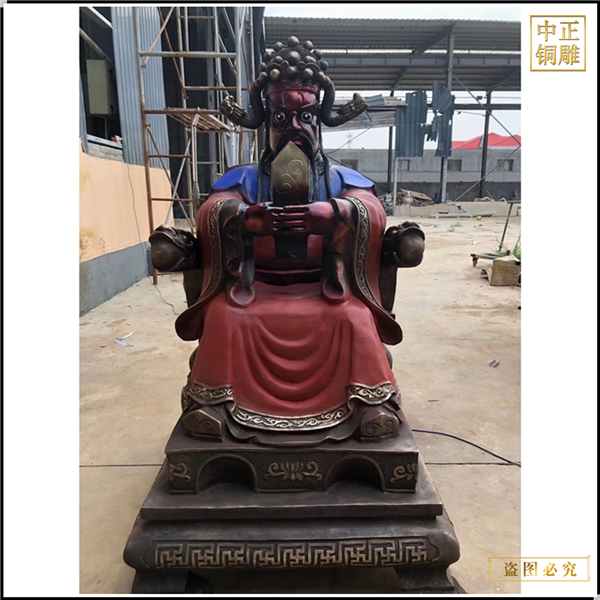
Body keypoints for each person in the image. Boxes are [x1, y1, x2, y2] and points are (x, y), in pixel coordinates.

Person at [150, 37, 425, 445]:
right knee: (225, 316)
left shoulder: (339, 179)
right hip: (254, 289)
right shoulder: (245, 179)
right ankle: (214, 406)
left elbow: (371, 209)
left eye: (306, 116)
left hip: (327, 289)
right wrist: (244, 218)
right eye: (280, 117)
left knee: (355, 318)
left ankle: (370, 405)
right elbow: (211, 211)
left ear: (319, 121)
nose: (294, 127)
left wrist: (335, 213)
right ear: (266, 122)